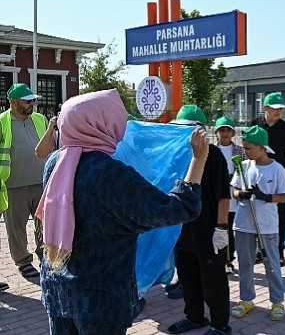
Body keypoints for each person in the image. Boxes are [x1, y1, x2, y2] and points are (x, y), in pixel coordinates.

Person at [37, 89, 207, 334]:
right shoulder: (110, 174)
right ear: (103, 124)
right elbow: (179, 208)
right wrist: (197, 160)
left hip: (57, 287)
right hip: (99, 299)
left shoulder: (55, 163)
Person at [166, 105, 232, 335]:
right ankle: (194, 317)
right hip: (183, 230)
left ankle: (220, 324)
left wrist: (222, 227)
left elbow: (224, 195)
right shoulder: (177, 154)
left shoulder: (213, 156)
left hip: (208, 231)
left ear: (201, 131)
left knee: (213, 281)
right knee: (188, 278)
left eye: (190, 129)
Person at [230, 125, 285, 322]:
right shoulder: (244, 166)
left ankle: (277, 301)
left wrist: (266, 196)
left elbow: (283, 197)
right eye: (244, 147)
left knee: (271, 263)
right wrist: (241, 194)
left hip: (267, 225)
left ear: (262, 147)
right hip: (244, 223)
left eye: (248, 148)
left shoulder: (277, 168)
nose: (245, 151)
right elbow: (234, 190)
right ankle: (247, 299)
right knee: (245, 262)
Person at [1, 83, 47, 279]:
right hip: (13, 184)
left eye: (34, 100)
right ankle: (23, 261)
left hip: (41, 182)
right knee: (16, 227)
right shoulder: (2, 122)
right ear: (13, 102)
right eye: (28, 101)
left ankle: (45, 254)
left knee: (44, 224)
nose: (33, 104)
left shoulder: (40, 119)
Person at [250, 93, 285, 265]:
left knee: (280, 214)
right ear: (265, 108)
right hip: (258, 173)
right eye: (275, 108)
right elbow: (247, 148)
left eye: (281, 109)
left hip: (279, 174)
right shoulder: (255, 125)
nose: (278, 112)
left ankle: (278, 251)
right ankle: (259, 249)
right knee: (257, 209)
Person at [214, 116, 247, 273]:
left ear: (233, 133)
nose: (225, 133)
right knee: (219, 226)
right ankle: (219, 257)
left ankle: (229, 259)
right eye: (222, 130)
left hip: (233, 192)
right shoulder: (212, 149)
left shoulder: (240, 151)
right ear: (216, 133)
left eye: (228, 130)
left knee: (231, 227)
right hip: (217, 193)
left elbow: (245, 170)